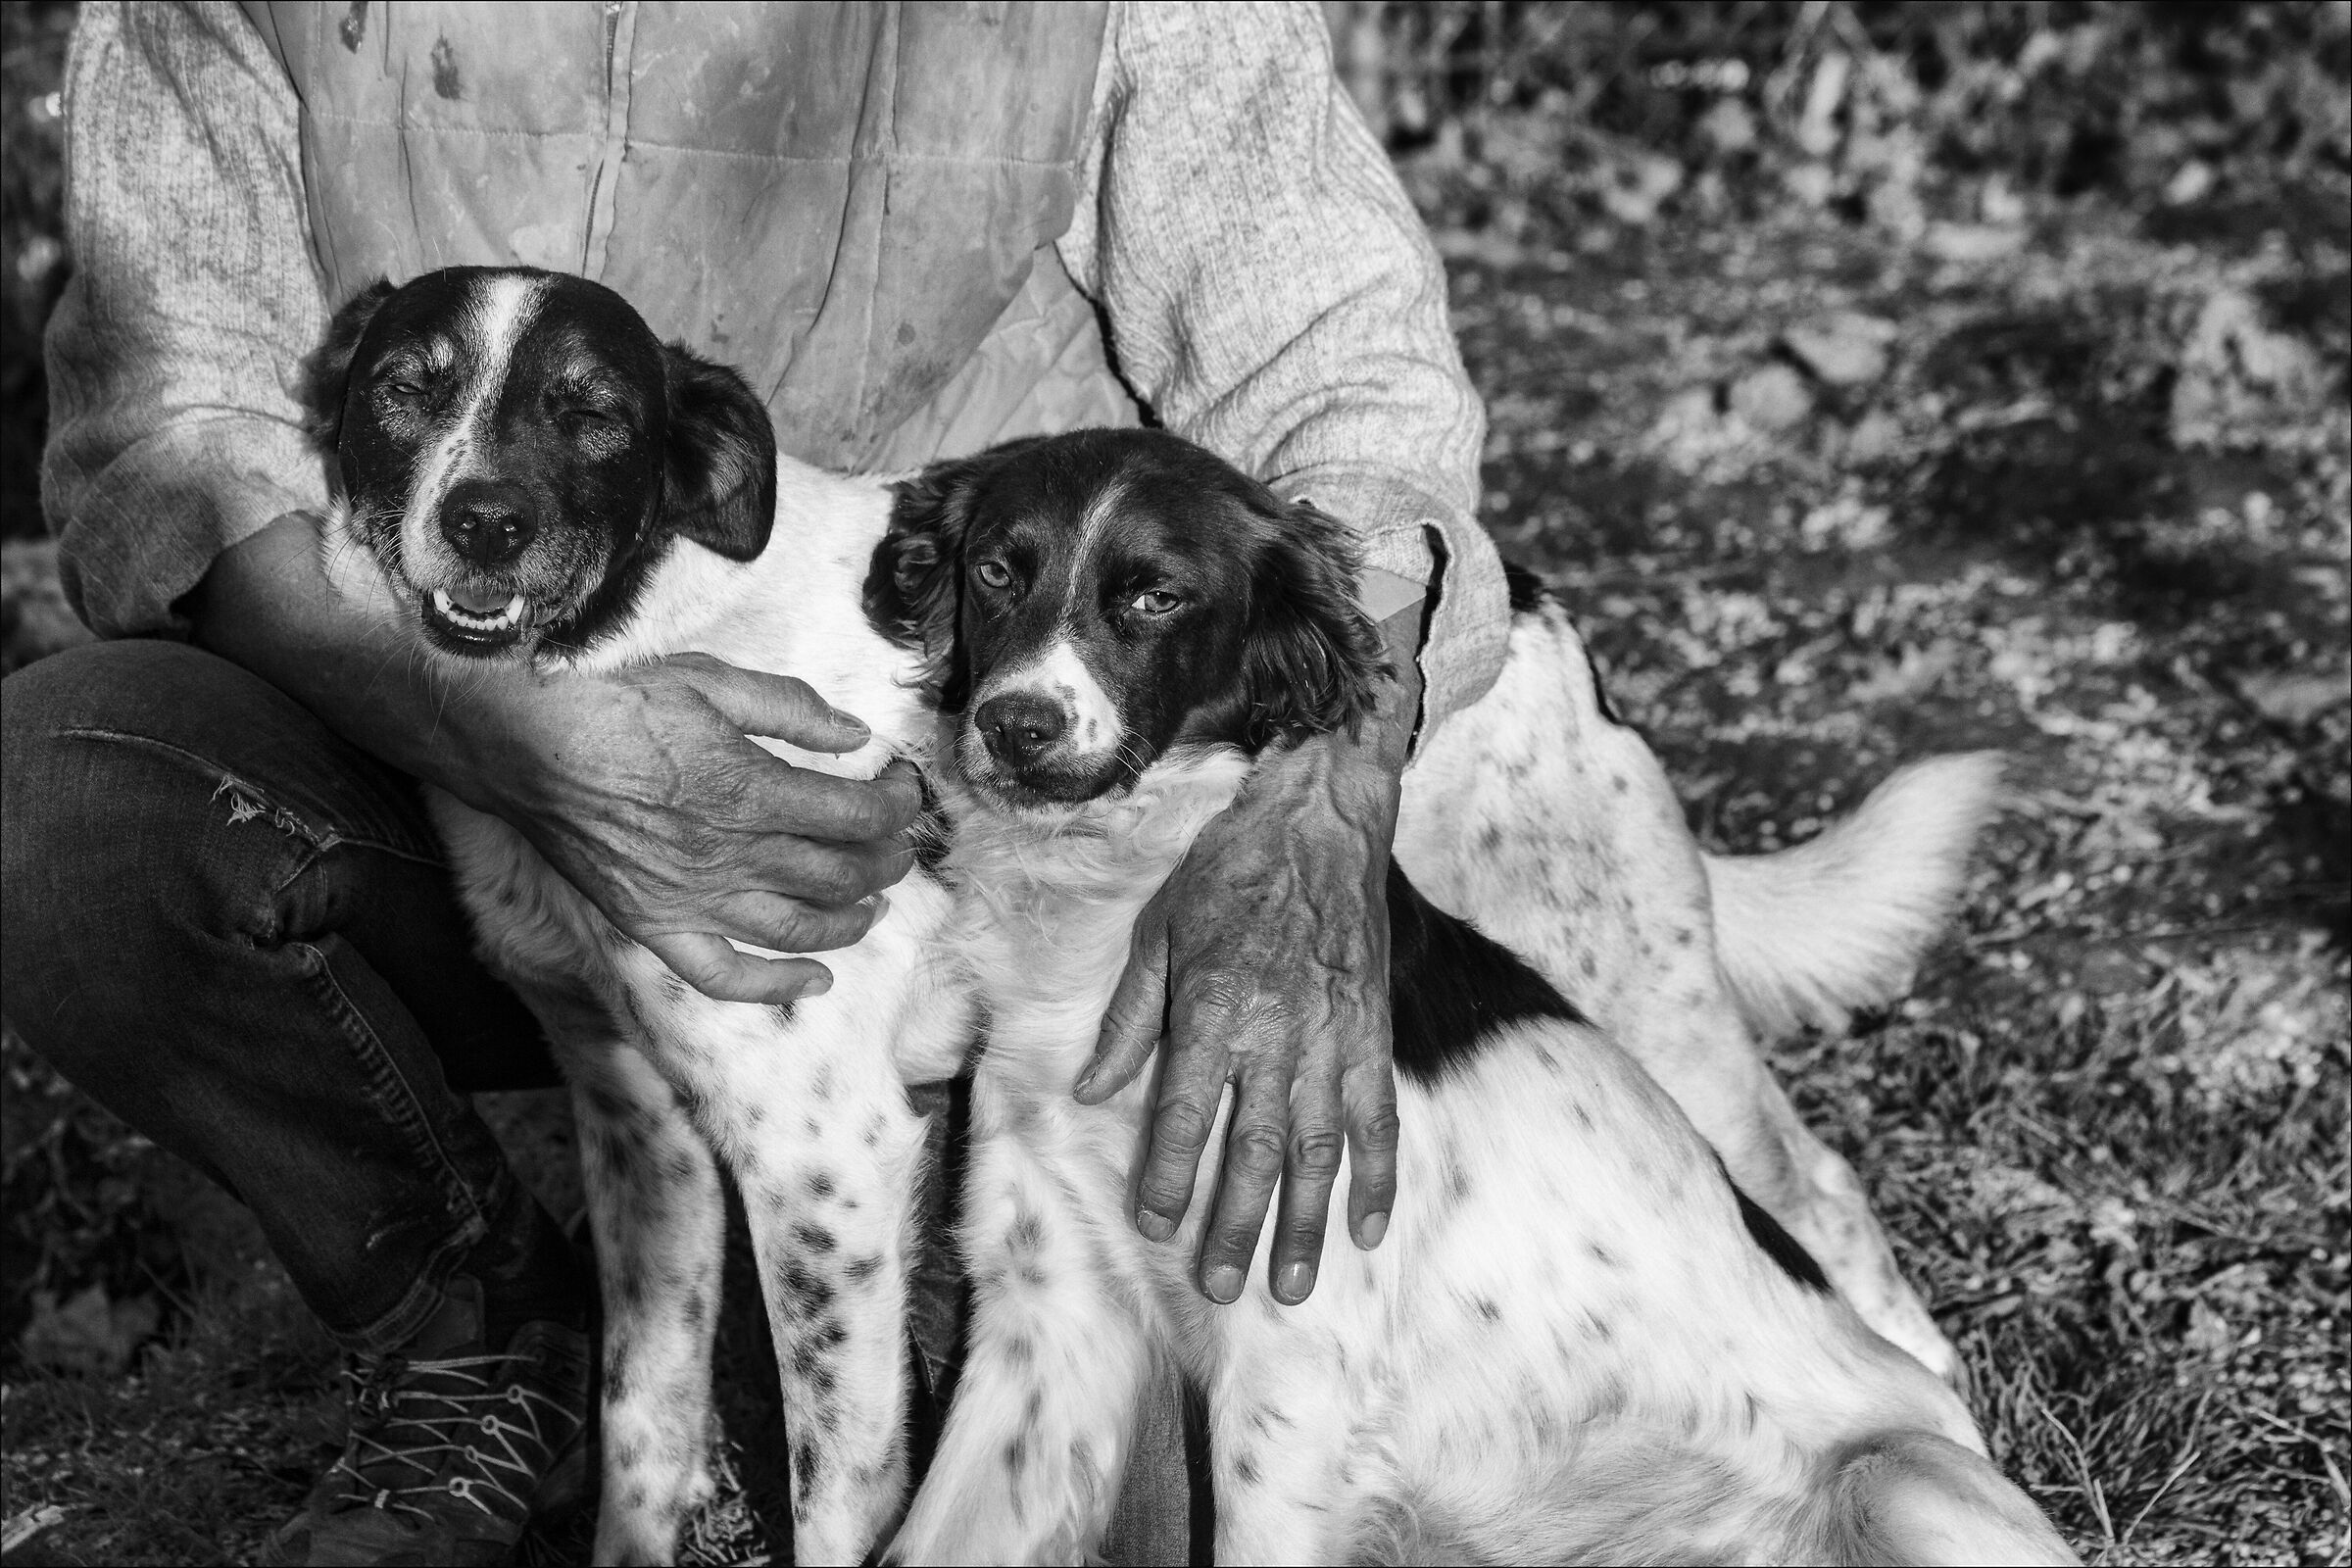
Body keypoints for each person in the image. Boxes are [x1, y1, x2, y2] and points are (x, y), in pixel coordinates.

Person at [0, 4, 1512, 1563]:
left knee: (1102, 1503)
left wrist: (1316, 809)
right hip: (417, 739)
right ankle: (475, 1342)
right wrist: (511, 743)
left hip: (1027, 862)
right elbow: (163, 434)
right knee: (69, 801)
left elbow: (1352, 384)